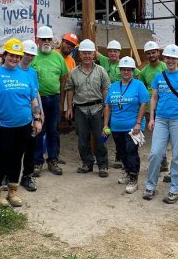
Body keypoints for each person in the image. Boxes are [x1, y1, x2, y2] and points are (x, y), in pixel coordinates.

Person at [0, 39, 42, 208]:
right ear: (4, 55)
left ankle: (12, 191)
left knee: (17, 158)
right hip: (2, 126)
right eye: (11, 55)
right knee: (2, 158)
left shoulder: (25, 75)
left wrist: (37, 119)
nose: (14, 59)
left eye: (17, 56)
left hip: (23, 125)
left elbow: (33, 100)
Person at [142, 44, 178, 204]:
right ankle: (150, 185)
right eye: (168, 57)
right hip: (161, 120)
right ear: (165, 58)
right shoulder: (160, 76)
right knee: (155, 153)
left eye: (173, 57)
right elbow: (154, 97)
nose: (170, 60)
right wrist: (152, 118)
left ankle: (175, 188)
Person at [65, 39, 111, 177]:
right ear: (80, 55)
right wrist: (68, 108)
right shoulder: (74, 72)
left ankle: (103, 165)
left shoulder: (101, 71)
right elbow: (70, 90)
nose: (87, 56)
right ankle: (87, 163)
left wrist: (106, 107)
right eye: (84, 53)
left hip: (97, 107)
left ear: (94, 55)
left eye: (89, 53)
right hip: (80, 108)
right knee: (82, 138)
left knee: (100, 137)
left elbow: (105, 90)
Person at [103, 56, 149, 194]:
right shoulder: (114, 86)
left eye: (129, 70)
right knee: (121, 152)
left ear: (133, 71)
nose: (126, 72)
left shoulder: (138, 85)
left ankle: (133, 179)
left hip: (132, 127)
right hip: (116, 126)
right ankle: (127, 172)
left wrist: (138, 123)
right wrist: (105, 124)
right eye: (124, 69)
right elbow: (108, 106)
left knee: (131, 152)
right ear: (120, 71)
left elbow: (143, 103)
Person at [32, 26, 69, 176]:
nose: (47, 42)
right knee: (38, 130)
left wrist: (61, 103)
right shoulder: (32, 57)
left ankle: (53, 160)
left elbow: (64, 79)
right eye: (43, 39)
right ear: (38, 40)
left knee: (53, 131)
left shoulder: (58, 57)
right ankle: (37, 162)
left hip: (54, 99)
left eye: (49, 39)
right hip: (37, 101)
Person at [139, 40, 169, 173]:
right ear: (146, 55)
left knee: (163, 136)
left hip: (165, 107)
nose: (151, 55)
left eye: (153, 52)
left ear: (158, 52)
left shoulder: (165, 67)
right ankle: (162, 161)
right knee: (157, 136)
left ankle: (163, 161)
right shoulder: (144, 72)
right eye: (149, 53)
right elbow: (142, 89)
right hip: (150, 109)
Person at [18, 39, 43, 192]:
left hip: (31, 116)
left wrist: (40, 115)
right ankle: (8, 175)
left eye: (32, 55)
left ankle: (27, 176)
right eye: (27, 54)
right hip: (16, 117)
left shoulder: (32, 72)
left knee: (30, 147)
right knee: (14, 148)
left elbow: (36, 94)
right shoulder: (13, 70)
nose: (29, 57)